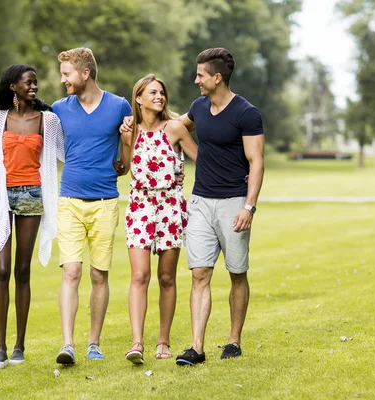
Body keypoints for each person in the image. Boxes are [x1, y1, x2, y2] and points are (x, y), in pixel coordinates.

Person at [121, 47, 265, 365]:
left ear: (216, 77)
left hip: (233, 201)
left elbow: (257, 162)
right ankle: (197, 348)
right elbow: (172, 124)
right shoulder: (198, 107)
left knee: (237, 272)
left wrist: (249, 206)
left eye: (200, 74)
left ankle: (233, 340)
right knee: (199, 272)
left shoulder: (246, 113)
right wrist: (134, 123)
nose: (195, 79)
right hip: (199, 200)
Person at [0, 64, 65, 369]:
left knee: (22, 271)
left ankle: (19, 346)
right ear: (12, 86)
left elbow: (67, 153)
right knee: (1, 271)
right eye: (28, 82)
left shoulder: (48, 120)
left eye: (35, 83)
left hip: (32, 196)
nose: (34, 87)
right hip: (1, 197)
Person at [52, 47, 132, 364]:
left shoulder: (118, 106)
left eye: (67, 74)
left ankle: (93, 343)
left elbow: (125, 164)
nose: (63, 80)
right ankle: (68, 344)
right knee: (71, 272)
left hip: (105, 202)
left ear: (85, 73)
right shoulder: (58, 109)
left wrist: (123, 151)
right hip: (69, 199)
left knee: (99, 276)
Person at [121, 74, 197, 364]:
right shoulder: (130, 131)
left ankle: (163, 341)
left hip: (170, 206)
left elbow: (200, 158)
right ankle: (137, 342)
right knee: (139, 275)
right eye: (152, 93)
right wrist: (121, 136)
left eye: (162, 93)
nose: (159, 97)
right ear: (138, 98)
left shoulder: (175, 128)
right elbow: (124, 167)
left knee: (167, 277)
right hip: (140, 205)